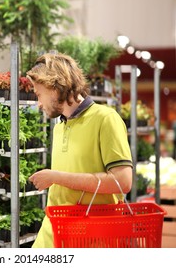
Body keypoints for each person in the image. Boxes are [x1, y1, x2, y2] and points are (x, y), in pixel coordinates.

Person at [26, 53, 133, 248]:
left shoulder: (105, 119)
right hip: (53, 234)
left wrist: (56, 177)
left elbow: (123, 182)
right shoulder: (59, 128)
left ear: (54, 86)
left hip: (92, 239)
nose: (38, 103)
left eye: (38, 94)